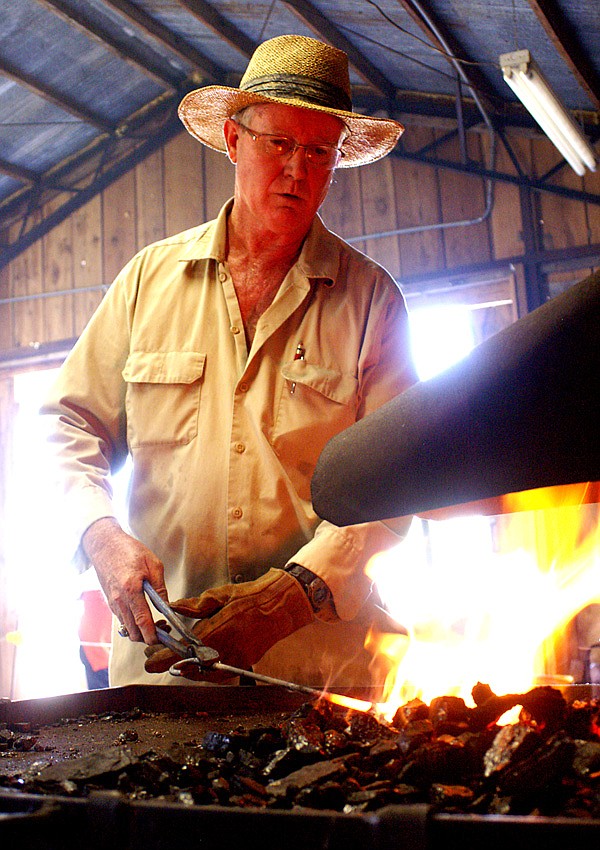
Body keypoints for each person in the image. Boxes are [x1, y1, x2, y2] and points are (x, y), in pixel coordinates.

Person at [41, 34, 418, 690]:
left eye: (318, 152)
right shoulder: (147, 283)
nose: (298, 172)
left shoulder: (372, 302)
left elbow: (396, 482)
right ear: (233, 138)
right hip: (165, 671)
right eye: (279, 144)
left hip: (316, 679)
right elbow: (67, 429)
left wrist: (286, 600)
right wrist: (98, 533)